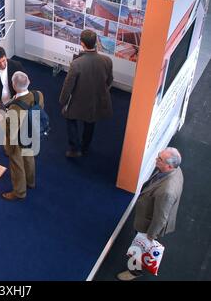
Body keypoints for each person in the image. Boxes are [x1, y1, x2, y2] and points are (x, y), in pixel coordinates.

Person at [117, 147, 184, 281]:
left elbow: (160, 219)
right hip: (150, 216)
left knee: (140, 248)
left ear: (169, 165)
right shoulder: (176, 170)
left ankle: (134, 271)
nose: (156, 160)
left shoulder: (167, 191)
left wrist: (149, 237)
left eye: (160, 159)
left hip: (148, 226)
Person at [59, 29, 113, 157]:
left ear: (82, 43)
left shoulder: (76, 64)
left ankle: (74, 148)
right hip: (96, 101)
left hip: (78, 100)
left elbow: (68, 86)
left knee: (68, 116)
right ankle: (85, 146)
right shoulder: (107, 60)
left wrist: (63, 100)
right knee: (91, 121)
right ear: (95, 42)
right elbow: (109, 81)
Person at [1, 71, 44, 201]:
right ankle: (30, 182)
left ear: (14, 86)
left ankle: (19, 192)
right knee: (29, 157)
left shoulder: (15, 107)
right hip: (33, 133)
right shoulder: (38, 94)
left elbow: (10, 130)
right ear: (29, 81)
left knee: (16, 164)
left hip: (19, 139)